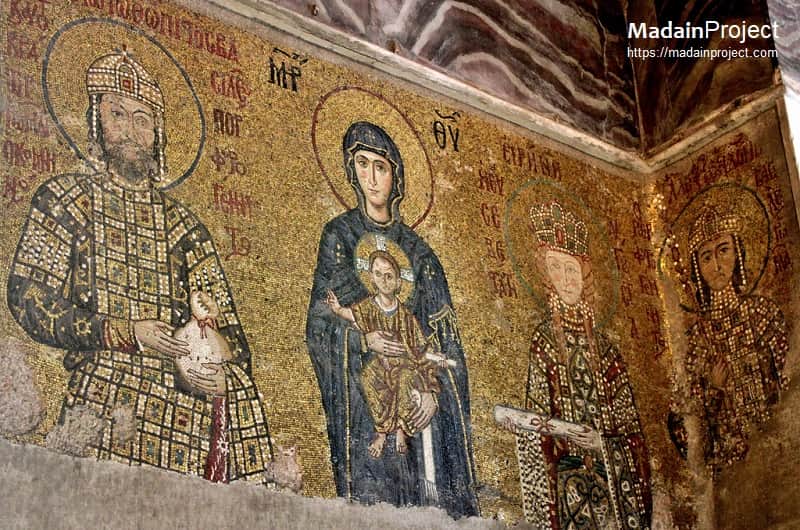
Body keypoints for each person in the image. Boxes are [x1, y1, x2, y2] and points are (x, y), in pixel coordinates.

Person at [7, 50, 272, 482]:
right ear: (95, 121)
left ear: (158, 134)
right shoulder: (65, 202)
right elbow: (30, 298)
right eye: (117, 113)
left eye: (142, 118)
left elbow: (235, 339)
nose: (130, 129)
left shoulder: (185, 228)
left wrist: (213, 363)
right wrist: (125, 332)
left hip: (187, 412)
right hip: (104, 403)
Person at [306, 121, 479, 517]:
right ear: (351, 171)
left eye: (380, 167)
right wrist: (363, 341)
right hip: (366, 411)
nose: (370, 176)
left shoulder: (421, 256)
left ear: (395, 176)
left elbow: (449, 349)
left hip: (423, 411)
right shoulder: (339, 238)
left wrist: (435, 392)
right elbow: (318, 326)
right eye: (362, 164)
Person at [505, 201, 651, 529]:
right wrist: (553, 433)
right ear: (546, 275)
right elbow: (537, 416)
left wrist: (602, 443)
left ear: (585, 277)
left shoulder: (608, 352)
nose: (566, 278)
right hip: (565, 486)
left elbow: (632, 432)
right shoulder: (543, 342)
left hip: (611, 490)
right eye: (556, 268)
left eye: (572, 269)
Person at [674, 206, 788, 467]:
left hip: (775, 447)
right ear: (697, 268)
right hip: (729, 464)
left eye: (723, 250)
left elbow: (788, 377)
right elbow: (682, 422)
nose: (716, 265)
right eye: (705, 257)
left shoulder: (764, 315)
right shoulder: (695, 342)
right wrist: (713, 390)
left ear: (737, 252)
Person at [326, 249, 445, 458]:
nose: (384, 280)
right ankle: (381, 431)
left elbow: (420, 346)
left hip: (403, 364)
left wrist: (437, 357)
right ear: (371, 277)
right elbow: (353, 317)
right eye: (378, 274)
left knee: (405, 379)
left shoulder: (406, 316)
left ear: (399, 282)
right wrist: (337, 309)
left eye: (389, 276)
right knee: (368, 378)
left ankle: (400, 428)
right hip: (379, 364)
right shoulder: (367, 306)